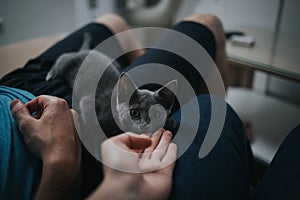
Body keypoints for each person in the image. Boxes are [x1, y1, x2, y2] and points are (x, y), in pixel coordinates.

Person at [0, 13, 299, 200]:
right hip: (64, 141)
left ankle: (229, 143)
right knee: (209, 27)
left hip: (16, 86)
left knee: (113, 23)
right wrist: (60, 165)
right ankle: (232, 142)